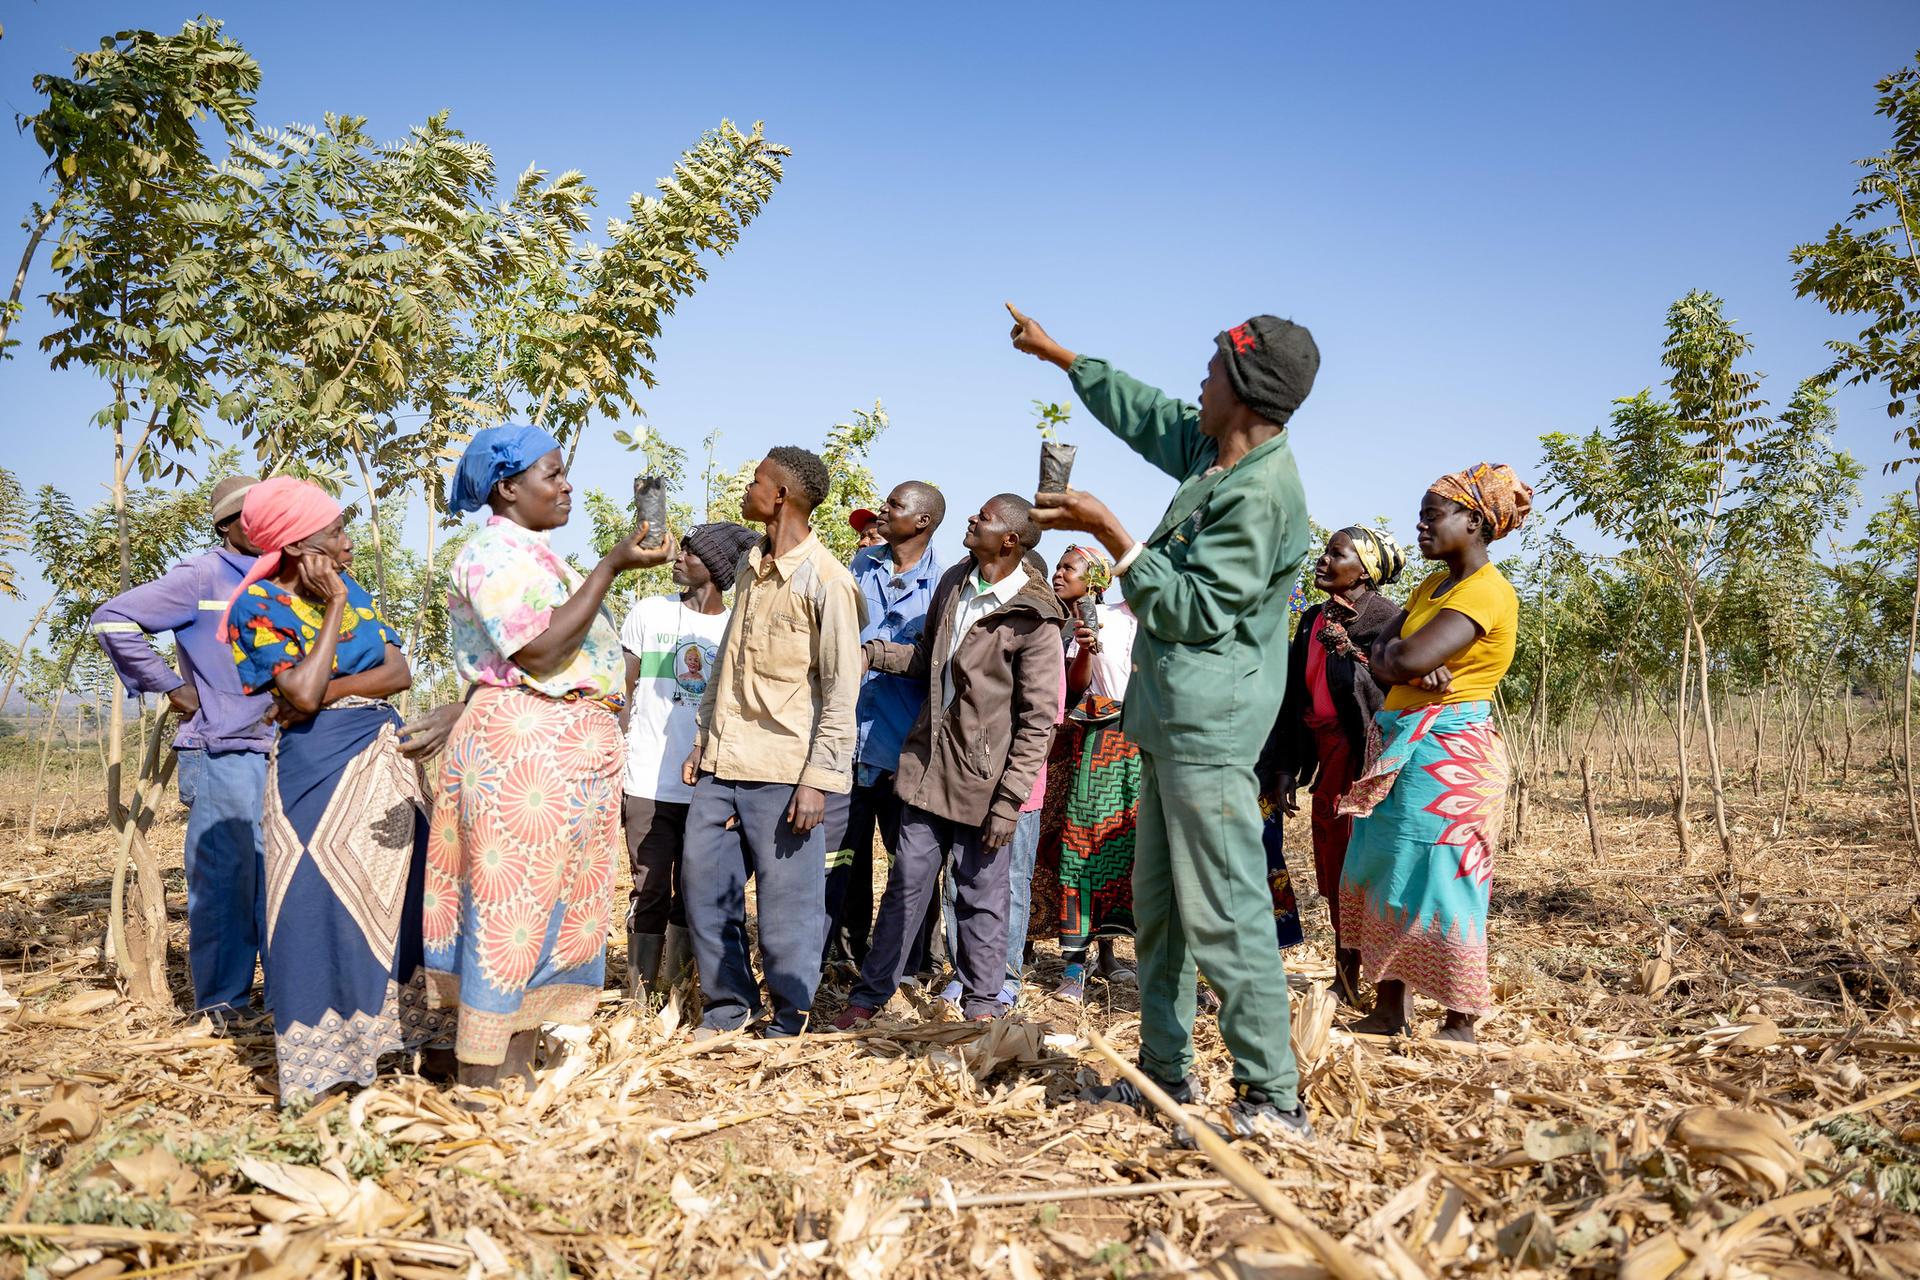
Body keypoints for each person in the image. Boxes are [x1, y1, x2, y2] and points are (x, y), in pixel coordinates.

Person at [1010, 302, 1315, 1138]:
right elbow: (1148, 413)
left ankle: (1272, 1100)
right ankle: (1164, 1077)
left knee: (1224, 909)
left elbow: (1191, 610)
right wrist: (1062, 356)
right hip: (1167, 723)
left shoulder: (1261, 493)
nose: (1200, 380)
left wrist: (1111, 532)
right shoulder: (1217, 458)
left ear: (1247, 391)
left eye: (1215, 369)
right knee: (1163, 910)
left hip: (1210, 730)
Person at [428, 425, 669, 1086]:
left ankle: (516, 1073)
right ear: (508, 488)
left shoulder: (535, 555)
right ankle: (481, 1087)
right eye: (552, 475)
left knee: (553, 918)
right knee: (511, 918)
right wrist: (611, 567)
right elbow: (537, 652)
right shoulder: (491, 554)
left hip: (563, 755)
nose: (567, 487)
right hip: (524, 753)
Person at [219, 476, 448, 1104]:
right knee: (312, 906)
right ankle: (323, 1067)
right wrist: (336, 613)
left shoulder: (357, 588)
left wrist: (323, 692)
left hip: (383, 759)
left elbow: (396, 674)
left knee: (399, 898)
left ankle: (403, 1043)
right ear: (297, 547)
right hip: (311, 774)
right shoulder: (255, 606)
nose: (347, 546)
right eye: (335, 535)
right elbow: (296, 693)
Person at [834, 495, 1065, 1026]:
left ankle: (984, 1007)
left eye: (982, 518)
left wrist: (1009, 803)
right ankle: (870, 996)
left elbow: (1037, 721)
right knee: (906, 887)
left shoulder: (1036, 617)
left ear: (1009, 539)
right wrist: (877, 654)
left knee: (980, 897)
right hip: (927, 769)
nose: (970, 519)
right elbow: (928, 659)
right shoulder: (957, 583)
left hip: (985, 783)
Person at [1340, 465, 1529, 1044]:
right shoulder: (1432, 589)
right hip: (1403, 745)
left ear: (1474, 522)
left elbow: (1396, 660)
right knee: (1390, 871)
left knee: (1443, 878)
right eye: (1420, 515)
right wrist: (1399, 656)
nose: (1419, 526)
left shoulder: (1485, 592)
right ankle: (1391, 1011)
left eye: (1432, 515)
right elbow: (1380, 651)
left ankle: (1460, 1018)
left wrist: (1400, 658)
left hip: (1448, 752)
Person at [682, 447, 863, 1039]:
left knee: (789, 916)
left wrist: (818, 778)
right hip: (720, 764)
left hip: (786, 773)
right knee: (706, 892)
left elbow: (841, 690)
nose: (748, 485)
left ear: (781, 494)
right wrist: (701, 739)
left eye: (757, 479)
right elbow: (726, 664)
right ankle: (729, 1010)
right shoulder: (748, 566)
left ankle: (790, 1020)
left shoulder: (828, 581)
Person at [91, 474, 272, 1020]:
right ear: (226, 525)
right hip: (224, 751)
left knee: (281, 879)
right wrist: (171, 686)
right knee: (225, 885)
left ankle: (288, 1001)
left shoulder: (287, 576)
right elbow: (112, 619)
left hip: (286, 750)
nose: (263, 524)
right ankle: (222, 1007)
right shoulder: (203, 575)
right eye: (250, 515)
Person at [1258, 527, 1410, 1004]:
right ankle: (1345, 973)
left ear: (1364, 569)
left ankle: (1379, 979)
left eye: (1335, 553)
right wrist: (1284, 767)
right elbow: (1294, 699)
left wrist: (1348, 649)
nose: (1322, 560)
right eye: (1325, 552)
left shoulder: (1386, 619)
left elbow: (1386, 692)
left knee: (1365, 864)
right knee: (1333, 864)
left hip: (1366, 758)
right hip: (1326, 755)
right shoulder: (1312, 620)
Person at [617, 521, 761, 1006]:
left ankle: (675, 993)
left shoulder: (738, 625)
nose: (678, 558)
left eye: (692, 554)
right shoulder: (648, 613)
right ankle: (640, 999)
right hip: (647, 779)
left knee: (694, 891)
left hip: (709, 785)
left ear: (717, 569)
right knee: (650, 885)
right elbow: (623, 691)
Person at [935, 547, 1061, 1012]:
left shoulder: (1040, 638)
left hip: (1018, 792)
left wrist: (1012, 792)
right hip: (981, 784)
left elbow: (1040, 725)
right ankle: (964, 972)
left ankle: (1003, 975)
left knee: (1007, 885)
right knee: (961, 880)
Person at [826, 482, 946, 972]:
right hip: (850, 741)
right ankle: (849, 955)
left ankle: (916, 964)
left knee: (910, 865)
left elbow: (939, 662)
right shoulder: (860, 567)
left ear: (921, 521)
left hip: (905, 749)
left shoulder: (947, 582)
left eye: (894, 505)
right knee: (844, 861)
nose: (883, 510)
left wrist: (875, 654)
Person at [1050, 544, 1144, 1003]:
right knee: (1083, 848)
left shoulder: (1172, 627)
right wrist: (1085, 649)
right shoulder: (1100, 617)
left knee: (1137, 853)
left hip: (1150, 750)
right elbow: (1076, 686)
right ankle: (1074, 965)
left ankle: (1119, 956)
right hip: (1101, 744)